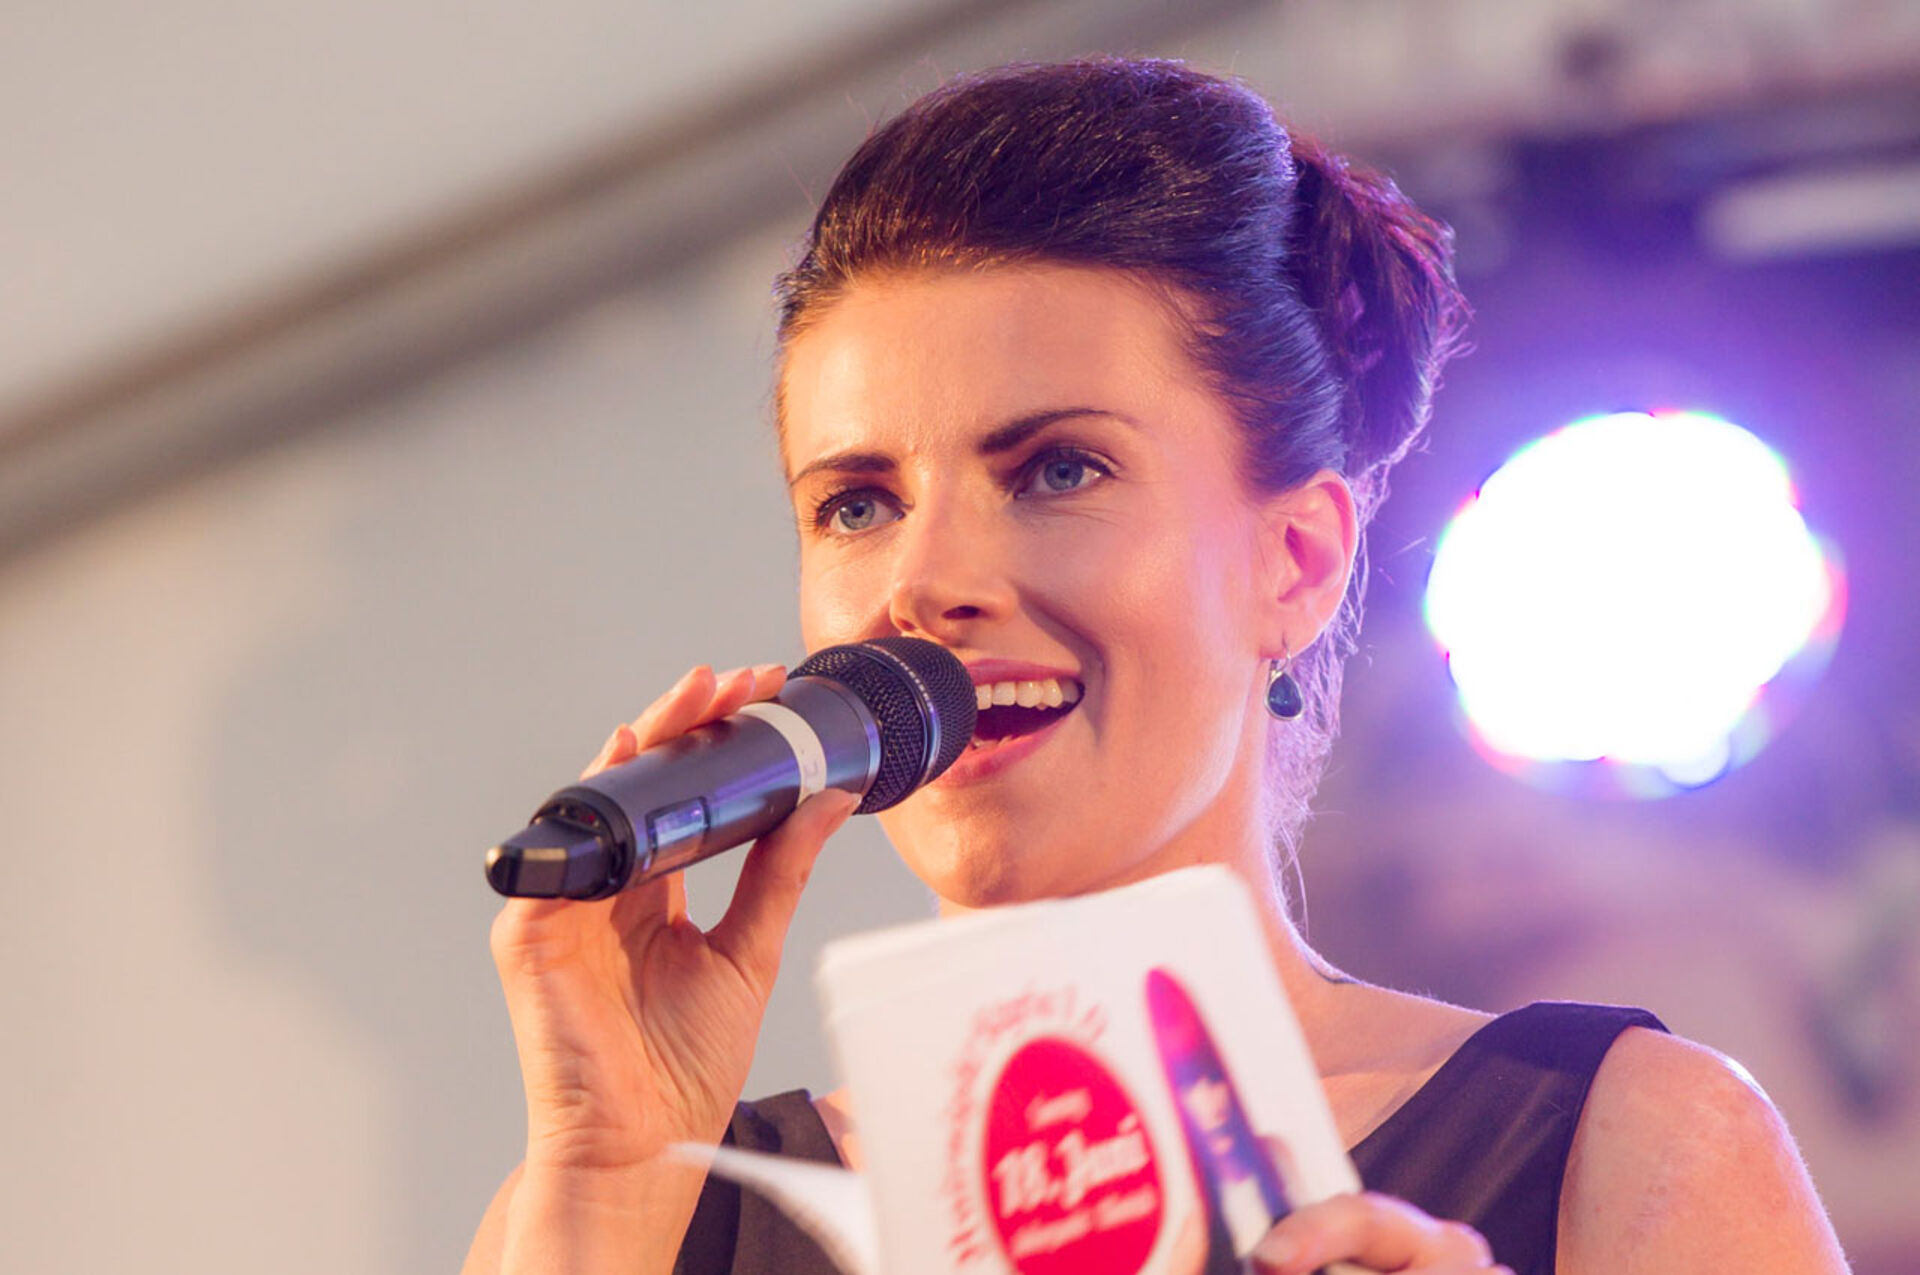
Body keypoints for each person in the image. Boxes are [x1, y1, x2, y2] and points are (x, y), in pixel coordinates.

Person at [463, 59, 1847, 1275]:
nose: (925, 580)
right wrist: (604, 1187)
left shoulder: (1626, 1140)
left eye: (1057, 469)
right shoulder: (649, 1212)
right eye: (859, 502)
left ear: (1294, 561)